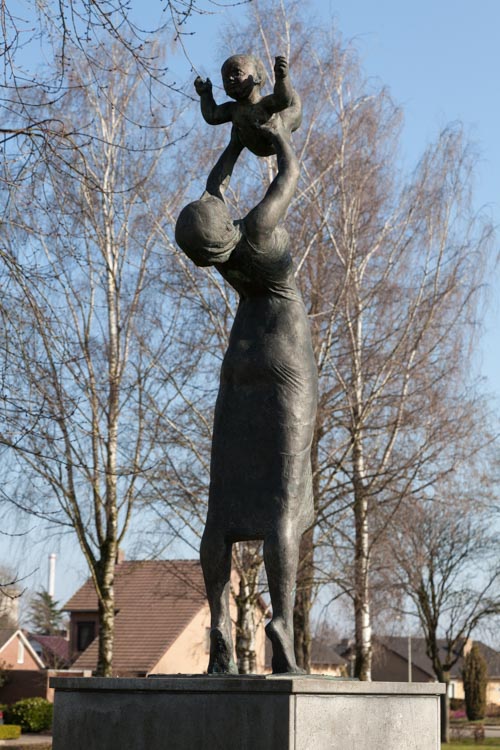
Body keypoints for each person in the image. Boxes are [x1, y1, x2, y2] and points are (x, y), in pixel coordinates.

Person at [175, 118, 317, 674]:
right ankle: (280, 621)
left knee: (225, 507)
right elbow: (291, 171)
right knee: (282, 498)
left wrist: (236, 138)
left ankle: (218, 628)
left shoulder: (216, 254)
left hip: (238, 364)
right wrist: (275, 129)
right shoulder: (255, 230)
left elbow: (213, 186)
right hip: (284, 362)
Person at [194, 54, 302, 158]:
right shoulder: (232, 109)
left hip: (275, 139)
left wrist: (282, 77)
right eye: (225, 78)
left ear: (258, 77)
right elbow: (212, 116)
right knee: (233, 144)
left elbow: (282, 100)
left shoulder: (263, 104)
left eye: (237, 73)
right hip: (251, 142)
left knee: (290, 116)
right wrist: (205, 95)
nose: (230, 79)